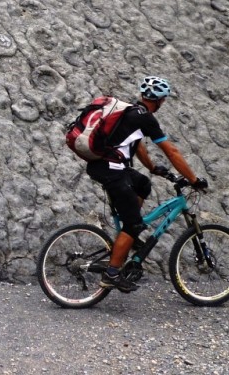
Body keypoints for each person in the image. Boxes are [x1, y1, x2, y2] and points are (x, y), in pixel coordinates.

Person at [86, 76, 208, 293]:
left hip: (105, 166)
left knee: (143, 184)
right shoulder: (146, 118)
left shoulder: (132, 112)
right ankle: (112, 273)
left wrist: (152, 168)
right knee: (134, 225)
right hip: (112, 170)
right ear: (160, 100)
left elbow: (137, 145)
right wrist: (193, 180)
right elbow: (171, 151)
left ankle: (128, 234)